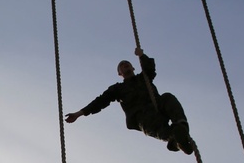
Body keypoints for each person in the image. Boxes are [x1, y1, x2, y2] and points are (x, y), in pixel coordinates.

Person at [65, 47, 195, 155]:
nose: (124, 64)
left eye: (127, 63)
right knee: (156, 125)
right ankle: (176, 141)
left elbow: (149, 69)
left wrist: (142, 55)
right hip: (141, 116)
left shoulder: (144, 78)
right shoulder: (118, 89)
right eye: (121, 65)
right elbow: (100, 102)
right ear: (119, 73)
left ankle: (181, 127)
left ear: (133, 68)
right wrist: (78, 114)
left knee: (168, 97)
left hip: (158, 106)